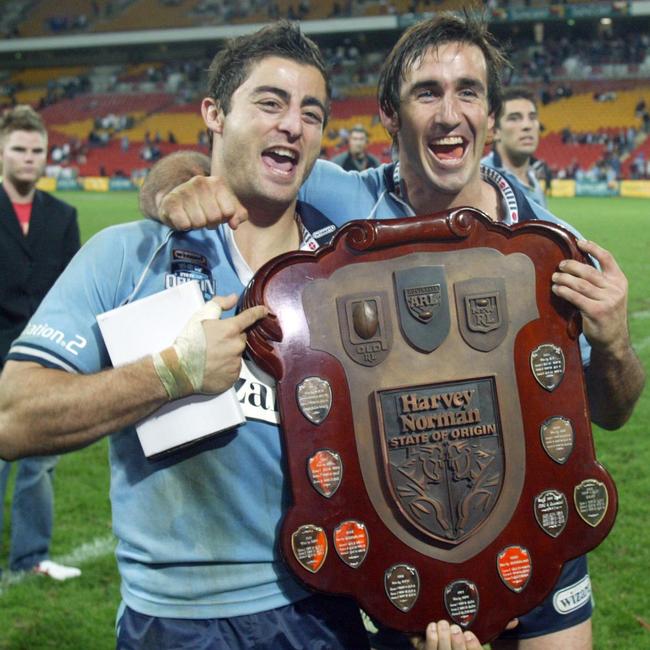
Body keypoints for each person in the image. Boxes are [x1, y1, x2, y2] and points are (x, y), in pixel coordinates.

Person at [139, 12, 645, 650]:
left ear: (489, 115)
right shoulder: (349, 204)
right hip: (402, 539)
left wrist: (615, 343)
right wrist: (174, 192)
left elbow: (613, 411)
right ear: (389, 114)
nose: (449, 112)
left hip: (530, 517)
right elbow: (208, 163)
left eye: (468, 92)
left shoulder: (544, 245)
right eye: (426, 92)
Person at [0, 22, 412, 650]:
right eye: (270, 103)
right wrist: (170, 374)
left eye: (311, 112)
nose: (292, 125)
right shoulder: (131, 254)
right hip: (175, 621)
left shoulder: (347, 267)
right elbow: (11, 417)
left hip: (325, 607)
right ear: (214, 114)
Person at [0, 105, 82, 582]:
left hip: (45, 360)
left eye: (37, 151)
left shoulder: (63, 215)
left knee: (39, 465)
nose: (29, 159)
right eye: (19, 150)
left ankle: (31, 559)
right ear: (3, 152)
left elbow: (69, 291)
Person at [481, 86, 547, 207]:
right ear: (495, 131)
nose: (527, 126)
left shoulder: (535, 184)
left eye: (532, 117)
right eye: (514, 118)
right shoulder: (481, 179)